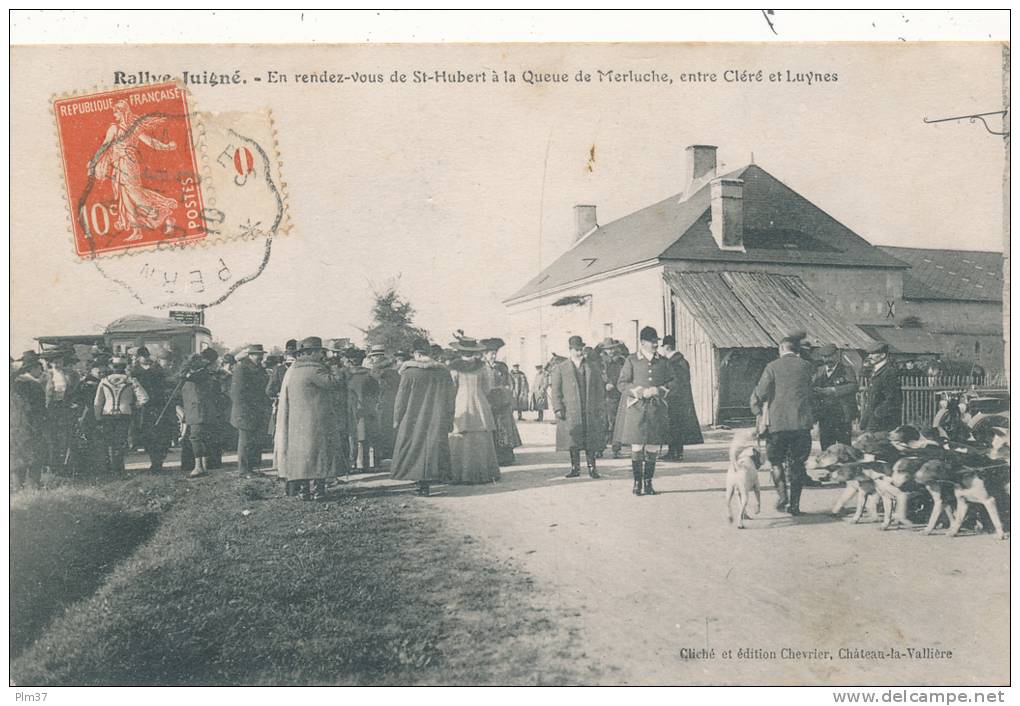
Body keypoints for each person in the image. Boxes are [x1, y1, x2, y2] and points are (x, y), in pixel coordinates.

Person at [92, 99, 178, 241]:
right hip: (118, 166)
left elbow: (150, 142)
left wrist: (166, 146)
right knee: (126, 200)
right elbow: (104, 146)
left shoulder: (133, 128)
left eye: (117, 112)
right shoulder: (114, 128)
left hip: (128, 165)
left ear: (124, 112)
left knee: (136, 196)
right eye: (114, 112)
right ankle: (136, 231)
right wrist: (94, 161)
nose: (115, 115)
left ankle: (165, 215)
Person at [750, 334, 816, 515]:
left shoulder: (772, 367)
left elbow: (760, 392)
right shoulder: (808, 367)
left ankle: (782, 495)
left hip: (777, 425)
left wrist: (757, 411)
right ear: (798, 350)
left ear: (781, 349)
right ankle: (795, 506)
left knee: (776, 461)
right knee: (797, 464)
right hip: (802, 424)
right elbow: (813, 393)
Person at [274, 337, 346, 500]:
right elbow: (335, 382)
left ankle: (304, 491)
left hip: (297, 423)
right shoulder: (314, 370)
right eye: (320, 352)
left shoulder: (295, 370)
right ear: (312, 353)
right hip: (316, 421)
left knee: (302, 457)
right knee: (319, 454)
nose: (322, 355)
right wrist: (336, 366)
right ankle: (319, 491)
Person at [614, 327, 676, 496]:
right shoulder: (632, 360)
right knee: (637, 446)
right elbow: (622, 383)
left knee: (653, 447)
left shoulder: (663, 361)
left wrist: (659, 390)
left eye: (657, 341)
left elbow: (673, 382)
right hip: (637, 409)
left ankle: (648, 483)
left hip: (656, 409)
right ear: (642, 343)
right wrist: (639, 391)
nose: (655, 344)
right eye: (651, 341)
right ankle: (637, 483)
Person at [390, 337, 455, 496]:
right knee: (434, 448)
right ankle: (433, 479)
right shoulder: (443, 372)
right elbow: (450, 398)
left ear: (415, 353)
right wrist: (449, 418)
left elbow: (401, 399)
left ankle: (421, 484)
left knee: (414, 447)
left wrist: (397, 418)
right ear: (429, 352)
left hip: (413, 417)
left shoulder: (409, 372)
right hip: (437, 416)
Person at [550, 336, 607, 479]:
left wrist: (600, 406)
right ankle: (575, 468)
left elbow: (600, 389)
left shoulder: (592, 366)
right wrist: (558, 408)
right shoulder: (561, 368)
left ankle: (592, 468)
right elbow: (556, 391)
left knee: (591, 439)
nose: (579, 352)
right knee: (573, 440)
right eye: (576, 350)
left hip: (589, 408)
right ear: (570, 350)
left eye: (581, 349)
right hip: (571, 410)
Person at [447, 335, 500, 484]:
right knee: (481, 438)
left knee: (460, 437)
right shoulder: (482, 367)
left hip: (461, 404)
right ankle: (484, 473)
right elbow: (487, 388)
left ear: (460, 351)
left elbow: (452, 388)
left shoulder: (454, 367)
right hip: (479, 405)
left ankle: (460, 474)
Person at [94, 357, 149, 475]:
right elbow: (144, 398)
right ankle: (120, 468)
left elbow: (97, 402)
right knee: (121, 440)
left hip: (107, 413)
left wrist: (98, 417)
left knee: (110, 441)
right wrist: (135, 405)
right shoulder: (131, 380)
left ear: (111, 366)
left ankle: (113, 468)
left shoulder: (104, 380)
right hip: (125, 413)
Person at [659, 335, 704, 461]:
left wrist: (665, 391)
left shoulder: (673, 362)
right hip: (681, 399)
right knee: (676, 426)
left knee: (674, 426)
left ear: (667, 347)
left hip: (674, 399)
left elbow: (676, 382)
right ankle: (675, 452)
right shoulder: (681, 361)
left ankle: (675, 453)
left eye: (663, 347)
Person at [131, 346, 175, 472]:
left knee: (157, 435)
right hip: (148, 407)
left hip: (155, 407)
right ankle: (156, 462)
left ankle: (157, 462)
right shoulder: (142, 371)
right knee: (151, 435)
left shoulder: (149, 371)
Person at [481, 338, 523, 466]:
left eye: (495, 353)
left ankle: (505, 457)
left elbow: (509, 383)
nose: (493, 356)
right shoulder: (480, 367)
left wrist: (505, 392)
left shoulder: (501, 367)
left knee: (503, 429)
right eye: (490, 353)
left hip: (501, 402)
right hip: (488, 401)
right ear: (484, 354)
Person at [230, 344, 271, 474]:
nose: (260, 357)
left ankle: (251, 469)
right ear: (250, 355)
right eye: (257, 354)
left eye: (261, 354)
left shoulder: (259, 369)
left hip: (256, 411)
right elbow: (237, 393)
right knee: (246, 442)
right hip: (245, 411)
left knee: (253, 442)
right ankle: (244, 470)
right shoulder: (241, 369)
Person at [812, 343, 859, 450]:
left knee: (845, 446)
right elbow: (813, 387)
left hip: (842, 415)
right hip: (824, 415)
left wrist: (834, 390)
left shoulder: (847, 369)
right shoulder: (819, 370)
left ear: (836, 355)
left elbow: (853, 386)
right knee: (826, 446)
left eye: (829, 356)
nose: (827, 359)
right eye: (824, 357)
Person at [11, 352, 47, 490]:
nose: (41, 371)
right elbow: (39, 407)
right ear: (32, 368)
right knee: (34, 454)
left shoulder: (14, 382)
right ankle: (33, 485)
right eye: (39, 368)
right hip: (30, 424)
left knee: (16, 455)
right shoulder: (32, 384)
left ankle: (17, 485)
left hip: (15, 424)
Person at [41, 346, 80, 474]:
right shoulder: (45, 376)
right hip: (50, 408)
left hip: (65, 407)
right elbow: (41, 393)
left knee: (65, 436)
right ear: (50, 363)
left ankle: (65, 465)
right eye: (55, 362)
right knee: (52, 436)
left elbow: (75, 390)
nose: (58, 364)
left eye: (60, 361)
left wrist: (73, 403)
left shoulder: (70, 374)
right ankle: (53, 466)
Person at [179, 354, 219, 478]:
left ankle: (198, 467)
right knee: (200, 438)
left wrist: (187, 372)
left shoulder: (200, 374)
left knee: (195, 438)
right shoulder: (204, 374)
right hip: (197, 411)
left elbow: (185, 376)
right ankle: (203, 466)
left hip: (198, 411)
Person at [70, 356, 108, 476]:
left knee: (102, 441)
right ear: (92, 371)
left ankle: (103, 467)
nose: (101, 373)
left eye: (103, 371)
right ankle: (89, 467)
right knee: (89, 440)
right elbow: (76, 399)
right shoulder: (85, 384)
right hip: (88, 414)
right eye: (99, 371)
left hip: (103, 413)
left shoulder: (106, 382)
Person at [345, 348, 380, 471]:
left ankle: (351, 464)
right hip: (367, 408)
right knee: (366, 436)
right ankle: (367, 464)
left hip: (350, 408)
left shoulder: (346, 375)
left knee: (351, 437)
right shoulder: (370, 374)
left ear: (350, 360)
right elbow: (376, 392)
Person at [367, 344, 400, 463]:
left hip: (382, 401)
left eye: (374, 357)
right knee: (389, 427)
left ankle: (384, 453)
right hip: (392, 401)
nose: (373, 359)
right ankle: (390, 451)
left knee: (381, 427)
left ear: (378, 357)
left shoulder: (377, 371)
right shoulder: (395, 371)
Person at [859, 342, 902, 433]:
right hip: (875, 419)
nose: (870, 356)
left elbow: (893, 399)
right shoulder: (876, 370)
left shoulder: (889, 372)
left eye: (873, 353)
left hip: (883, 421)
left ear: (882, 355)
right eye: (870, 353)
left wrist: (876, 415)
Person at [596, 339, 626, 458]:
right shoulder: (599, 362)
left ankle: (616, 449)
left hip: (617, 395)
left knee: (616, 423)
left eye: (613, 348)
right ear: (604, 350)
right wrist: (605, 384)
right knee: (602, 423)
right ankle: (599, 448)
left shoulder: (622, 362)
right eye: (609, 349)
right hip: (603, 396)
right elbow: (597, 377)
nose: (611, 351)